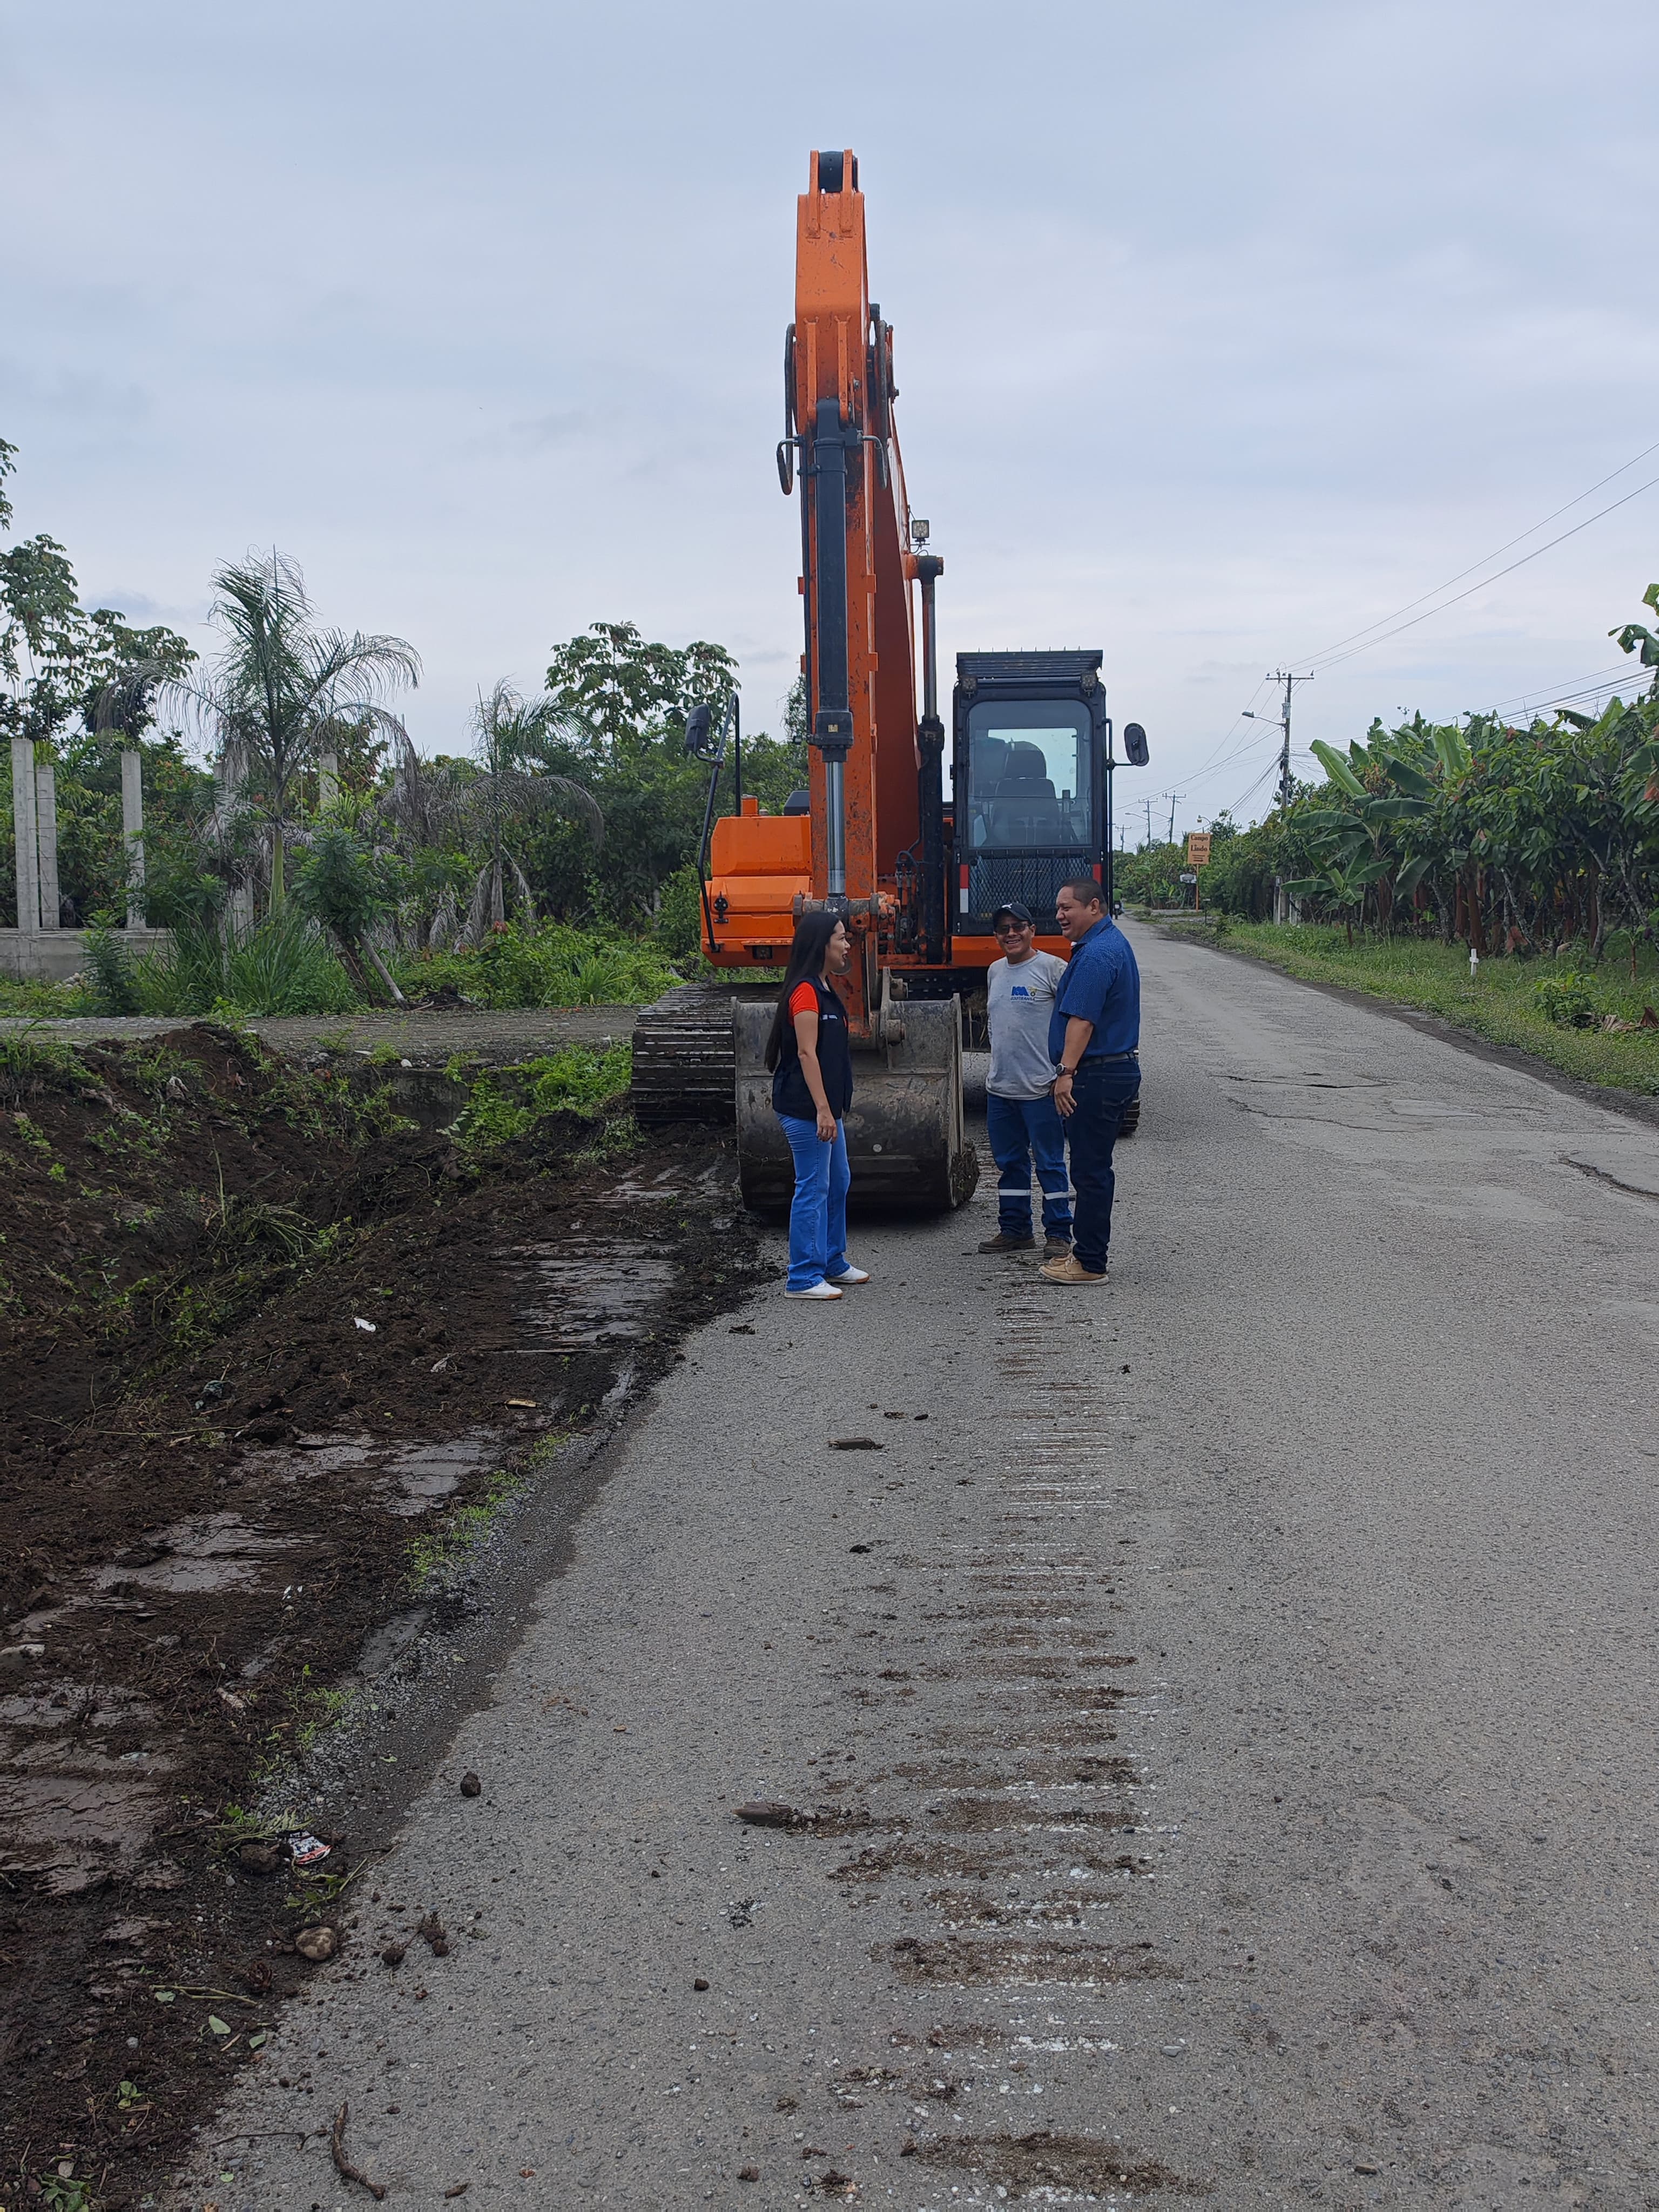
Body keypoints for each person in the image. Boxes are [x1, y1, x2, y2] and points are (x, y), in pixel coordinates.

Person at [764, 912, 871, 1301]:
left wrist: (831, 1109)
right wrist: (823, 1110)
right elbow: (807, 1054)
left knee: (838, 1181)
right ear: (821, 945)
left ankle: (832, 1260)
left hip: (826, 1110)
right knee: (813, 1186)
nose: (847, 945)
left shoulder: (825, 987)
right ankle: (803, 1277)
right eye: (841, 938)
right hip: (806, 1108)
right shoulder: (806, 992)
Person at [1040, 878, 1141, 1285]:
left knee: (1090, 1171)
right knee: (1092, 1168)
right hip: (1111, 1071)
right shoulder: (1108, 944)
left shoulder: (1097, 954)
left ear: (1094, 907)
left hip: (1096, 1074)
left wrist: (1065, 1073)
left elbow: (1082, 1022)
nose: (1060, 915)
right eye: (1058, 908)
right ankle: (1086, 1253)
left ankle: (1090, 1263)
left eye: (1068, 907)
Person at [977, 901, 1074, 1257]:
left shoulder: (1053, 969)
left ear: (1033, 930)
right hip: (1001, 1090)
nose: (1011, 934)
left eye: (1018, 927)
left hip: (1042, 1089)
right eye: (1004, 929)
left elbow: (1076, 1021)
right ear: (996, 936)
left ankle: (1059, 1233)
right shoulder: (994, 971)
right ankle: (1016, 1230)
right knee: (1010, 1164)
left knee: (1049, 1164)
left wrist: (1065, 1072)